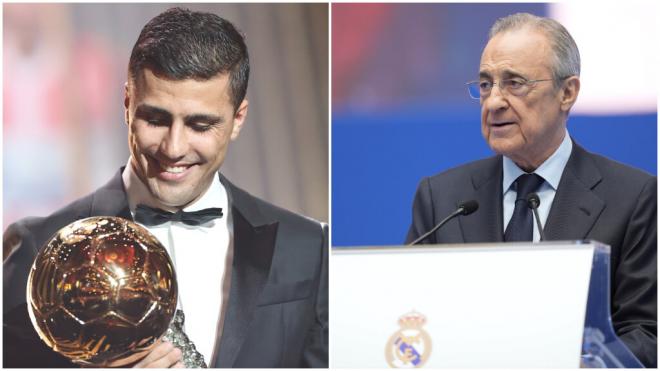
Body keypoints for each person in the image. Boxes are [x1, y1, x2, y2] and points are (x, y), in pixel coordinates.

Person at [3, 7, 328, 368]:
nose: (173, 148)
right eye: (156, 120)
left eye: (200, 126)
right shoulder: (38, 248)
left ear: (238, 119)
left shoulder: (306, 247)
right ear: (127, 104)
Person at [405, 13, 656, 367]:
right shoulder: (441, 198)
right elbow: (407, 316)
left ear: (567, 93)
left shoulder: (634, 198)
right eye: (486, 84)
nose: (493, 102)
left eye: (514, 83)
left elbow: (646, 335)